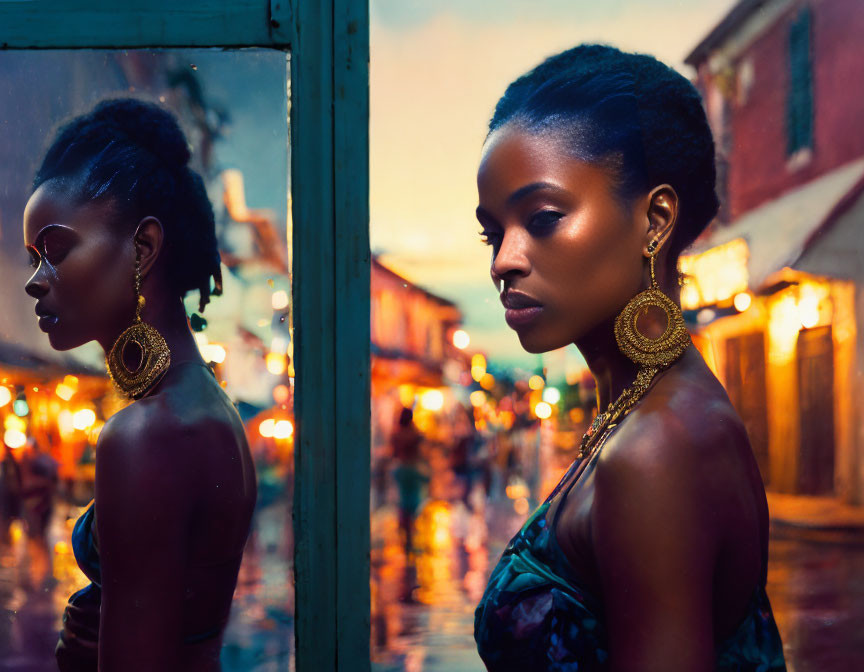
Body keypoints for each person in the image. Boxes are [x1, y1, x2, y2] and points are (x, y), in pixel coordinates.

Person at [472, 44, 786, 671]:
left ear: (655, 219)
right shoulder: (642, 410)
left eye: (542, 218)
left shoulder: (655, 446)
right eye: (493, 230)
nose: (502, 260)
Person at [22, 98, 257, 671]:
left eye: (55, 251)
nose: (35, 281)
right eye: (33, 258)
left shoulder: (146, 435)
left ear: (143, 248)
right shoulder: (205, 408)